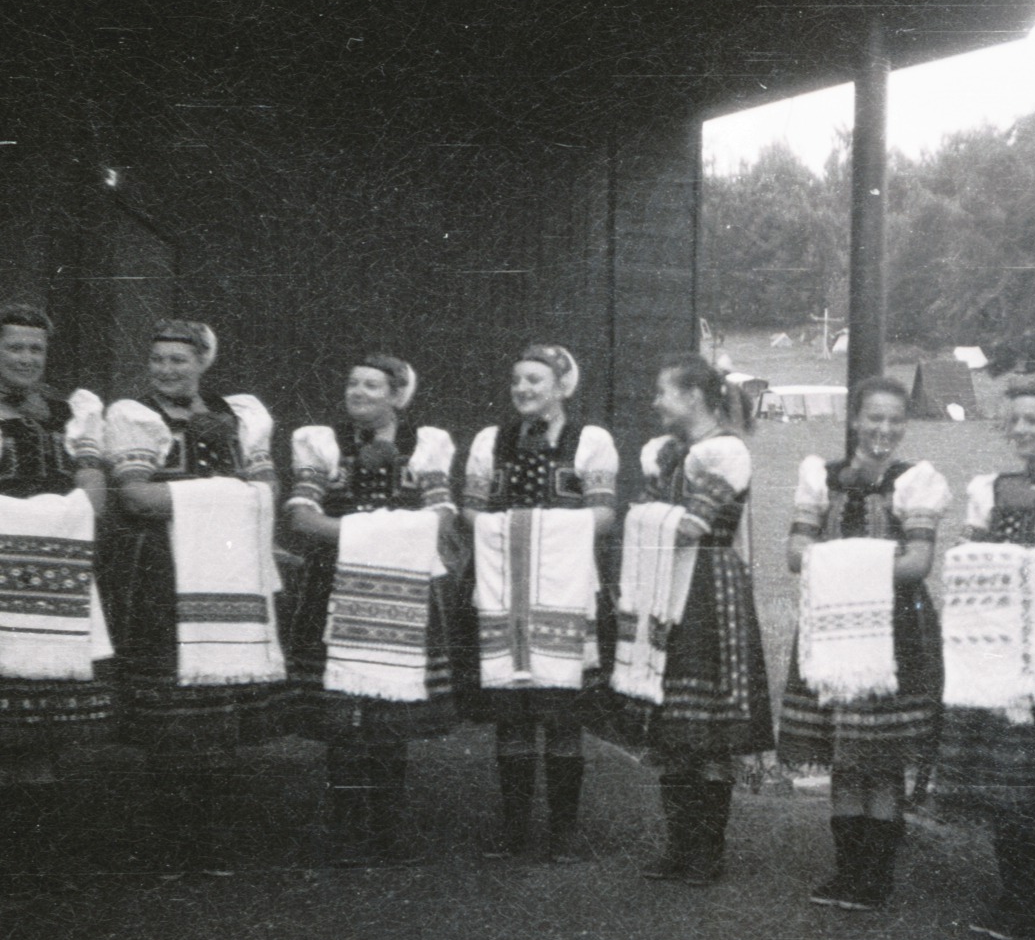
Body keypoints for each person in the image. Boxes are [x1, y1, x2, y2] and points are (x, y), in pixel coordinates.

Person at [103, 319, 287, 872]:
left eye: (178, 360)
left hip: (229, 575)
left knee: (219, 707)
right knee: (173, 708)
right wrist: (230, 494)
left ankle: (216, 837)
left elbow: (270, 493)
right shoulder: (133, 416)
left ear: (201, 363)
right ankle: (171, 841)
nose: (165, 369)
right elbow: (136, 498)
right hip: (165, 574)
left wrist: (214, 497)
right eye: (157, 359)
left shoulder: (238, 417)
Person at [937, 375, 1035, 940]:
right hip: (996, 641)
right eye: (1016, 420)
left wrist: (993, 554)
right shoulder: (994, 485)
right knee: (1005, 778)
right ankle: (1014, 894)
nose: (1023, 430)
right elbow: (964, 549)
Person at [778, 376, 950, 910]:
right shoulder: (822, 477)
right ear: (854, 420)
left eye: (895, 420)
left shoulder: (915, 481)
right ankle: (846, 871)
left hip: (894, 632)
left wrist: (836, 561)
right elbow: (793, 550)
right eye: (874, 418)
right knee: (846, 757)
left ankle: (876, 877)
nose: (884, 429)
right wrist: (866, 561)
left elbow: (918, 562)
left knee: (881, 758)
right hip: (832, 630)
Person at [285, 355, 459, 865]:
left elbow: (442, 517)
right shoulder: (323, 445)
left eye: (371, 385)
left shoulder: (424, 448)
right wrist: (380, 536)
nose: (357, 391)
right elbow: (300, 516)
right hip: (336, 590)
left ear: (396, 396)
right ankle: (345, 828)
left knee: (388, 710)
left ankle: (386, 829)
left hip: (401, 594)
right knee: (343, 714)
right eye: (352, 381)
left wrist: (362, 535)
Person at [462, 344, 618, 862]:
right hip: (504, 587)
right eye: (516, 381)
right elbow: (472, 511)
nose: (523, 389)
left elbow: (602, 515)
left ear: (560, 387)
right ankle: (514, 827)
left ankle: (564, 828)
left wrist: (540, 532)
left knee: (561, 711)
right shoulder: (492, 441)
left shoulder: (588, 441)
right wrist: (511, 532)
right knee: (512, 711)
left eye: (534, 380)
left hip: (564, 589)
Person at [629, 356, 771, 886]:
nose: (656, 401)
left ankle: (707, 850)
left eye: (664, 392)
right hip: (671, 588)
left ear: (693, 396)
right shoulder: (666, 455)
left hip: (710, 591)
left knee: (706, 729)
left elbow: (691, 527)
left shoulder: (724, 452)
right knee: (674, 730)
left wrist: (645, 518)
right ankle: (679, 845)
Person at [0, 304, 115, 869]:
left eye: (35, 349)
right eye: (15, 347)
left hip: (50, 579)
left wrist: (57, 516)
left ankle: (38, 858)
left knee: (38, 726)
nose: (25, 358)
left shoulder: (68, 413)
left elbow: (92, 492)